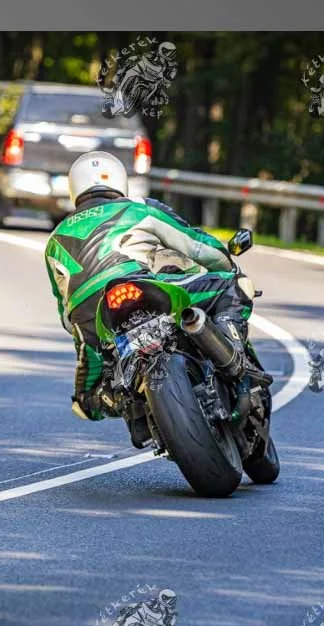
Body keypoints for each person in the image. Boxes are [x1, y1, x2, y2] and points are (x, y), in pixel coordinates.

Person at [44, 151, 259, 423]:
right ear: (120, 180)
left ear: (74, 188)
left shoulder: (54, 238)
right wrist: (226, 263)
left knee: (86, 402)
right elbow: (197, 246)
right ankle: (237, 364)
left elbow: (65, 314)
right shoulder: (138, 207)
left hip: (89, 320)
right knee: (235, 286)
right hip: (139, 285)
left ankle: (128, 406)